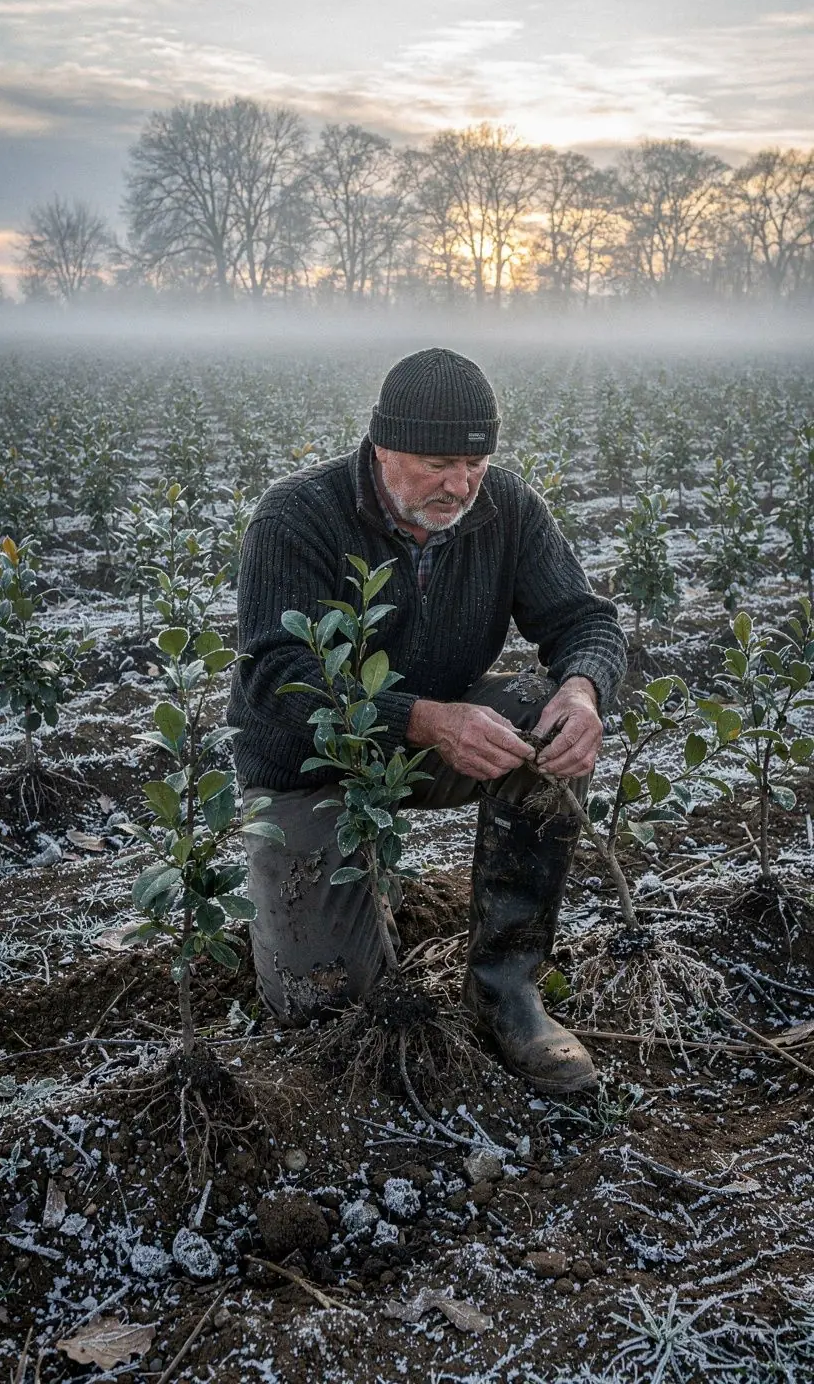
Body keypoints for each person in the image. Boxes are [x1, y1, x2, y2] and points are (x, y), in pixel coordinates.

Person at [228, 348, 627, 1093]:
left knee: (544, 717)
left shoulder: (506, 508)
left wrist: (582, 691)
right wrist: (423, 719)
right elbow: (276, 679)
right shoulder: (297, 516)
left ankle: (505, 990)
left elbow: (586, 621)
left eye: (475, 464)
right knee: (332, 1014)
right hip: (308, 764)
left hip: (436, 741)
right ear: (383, 447)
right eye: (440, 464)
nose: (461, 485)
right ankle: (345, 890)